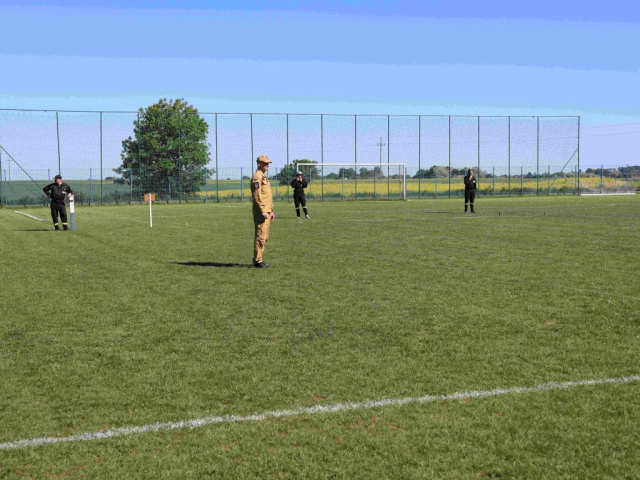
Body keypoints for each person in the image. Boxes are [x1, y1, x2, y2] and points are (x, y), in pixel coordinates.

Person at [251, 155, 275, 268]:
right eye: (265, 163)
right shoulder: (257, 177)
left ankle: (259, 258)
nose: (267, 165)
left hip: (267, 211)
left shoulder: (264, 177)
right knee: (260, 236)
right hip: (262, 212)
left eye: (268, 163)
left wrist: (271, 211)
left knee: (265, 237)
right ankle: (258, 261)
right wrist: (262, 210)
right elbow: (257, 196)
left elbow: (267, 196)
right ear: (259, 164)